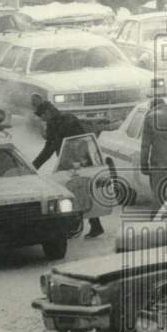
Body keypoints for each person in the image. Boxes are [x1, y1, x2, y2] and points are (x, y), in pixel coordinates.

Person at [32, 99, 104, 239]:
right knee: (75, 192)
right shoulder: (55, 123)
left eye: (43, 116)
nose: (43, 119)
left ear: (48, 112)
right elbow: (49, 147)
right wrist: (34, 166)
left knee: (77, 192)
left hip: (78, 162)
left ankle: (83, 226)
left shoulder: (67, 121)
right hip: (66, 162)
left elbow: (79, 141)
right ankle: (87, 225)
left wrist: (80, 161)